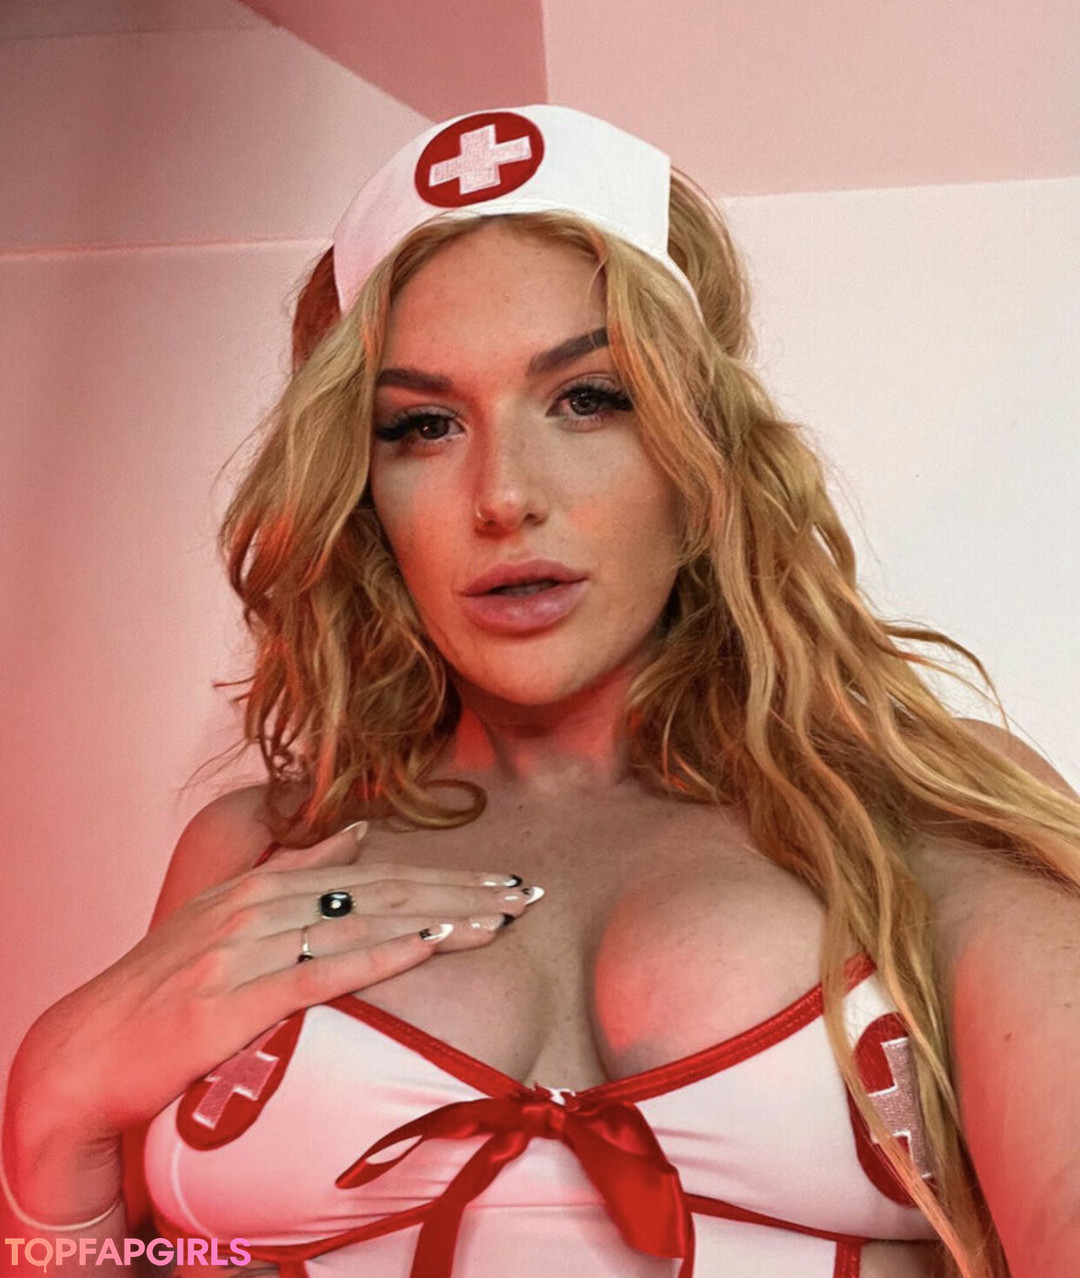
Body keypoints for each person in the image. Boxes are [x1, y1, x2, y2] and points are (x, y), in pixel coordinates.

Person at [3, 104, 1078, 1278]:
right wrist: (52, 1119)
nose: (504, 495)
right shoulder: (256, 848)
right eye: (423, 425)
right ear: (361, 489)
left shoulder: (915, 812)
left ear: (702, 451)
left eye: (590, 399)